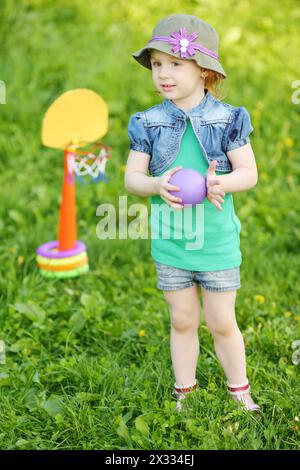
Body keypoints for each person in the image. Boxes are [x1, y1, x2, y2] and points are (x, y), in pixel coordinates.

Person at [125, 14, 261, 412]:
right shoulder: (148, 122)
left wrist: (219, 183)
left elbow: (249, 173)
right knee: (182, 319)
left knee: (221, 321)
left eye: (175, 63)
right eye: (156, 64)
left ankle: (240, 391)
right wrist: (154, 184)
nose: (163, 74)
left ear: (204, 71)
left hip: (216, 241)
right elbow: (133, 178)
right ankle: (184, 390)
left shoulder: (227, 119)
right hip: (171, 241)